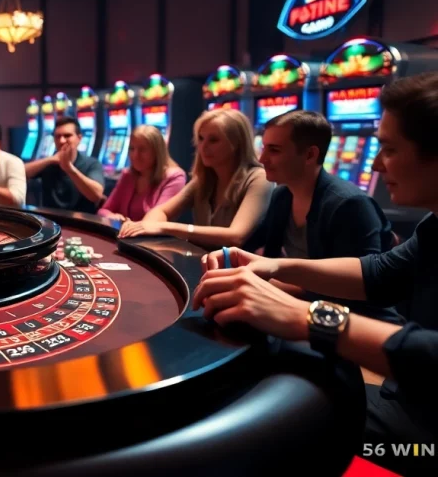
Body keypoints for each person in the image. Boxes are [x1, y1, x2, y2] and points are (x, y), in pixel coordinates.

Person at [195, 73, 438, 477]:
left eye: (390, 149)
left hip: (426, 439)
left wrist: (307, 317)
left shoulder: (348, 201)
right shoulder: (434, 226)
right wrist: (273, 266)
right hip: (408, 397)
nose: (375, 164)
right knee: (260, 395)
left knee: (277, 429)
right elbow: (379, 272)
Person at [246, 110, 400, 323]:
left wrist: (270, 285)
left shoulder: (350, 204)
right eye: (264, 148)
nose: (262, 159)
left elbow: (358, 292)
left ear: (310, 155)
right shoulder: (282, 195)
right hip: (304, 308)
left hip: (359, 324)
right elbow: (261, 252)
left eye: (274, 150)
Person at [119, 108, 273, 248]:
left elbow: (236, 236)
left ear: (236, 144)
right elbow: (161, 211)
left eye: (213, 140)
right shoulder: (204, 180)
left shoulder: (259, 179)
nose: (203, 147)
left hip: (237, 267)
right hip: (202, 262)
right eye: (200, 138)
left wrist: (165, 227)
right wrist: (145, 227)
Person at [98, 124, 186, 222]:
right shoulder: (128, 175)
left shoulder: (175, 177)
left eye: (142, 149)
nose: (135, 155)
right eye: (132, 149)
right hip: (125, 231)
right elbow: (104, 210)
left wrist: (129, 225)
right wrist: (113, 217)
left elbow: (157, 221)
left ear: (157, 151)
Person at [24, 117, 106, 213]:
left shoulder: (92, 164)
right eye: (57, 136)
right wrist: (50, 160)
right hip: (50, 219)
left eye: (67, 136)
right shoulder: (49, 163)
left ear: (79, 138)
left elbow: (96, 195)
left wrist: (69, 168)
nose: (62, 140)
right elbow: (20, 172)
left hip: (80, 220)